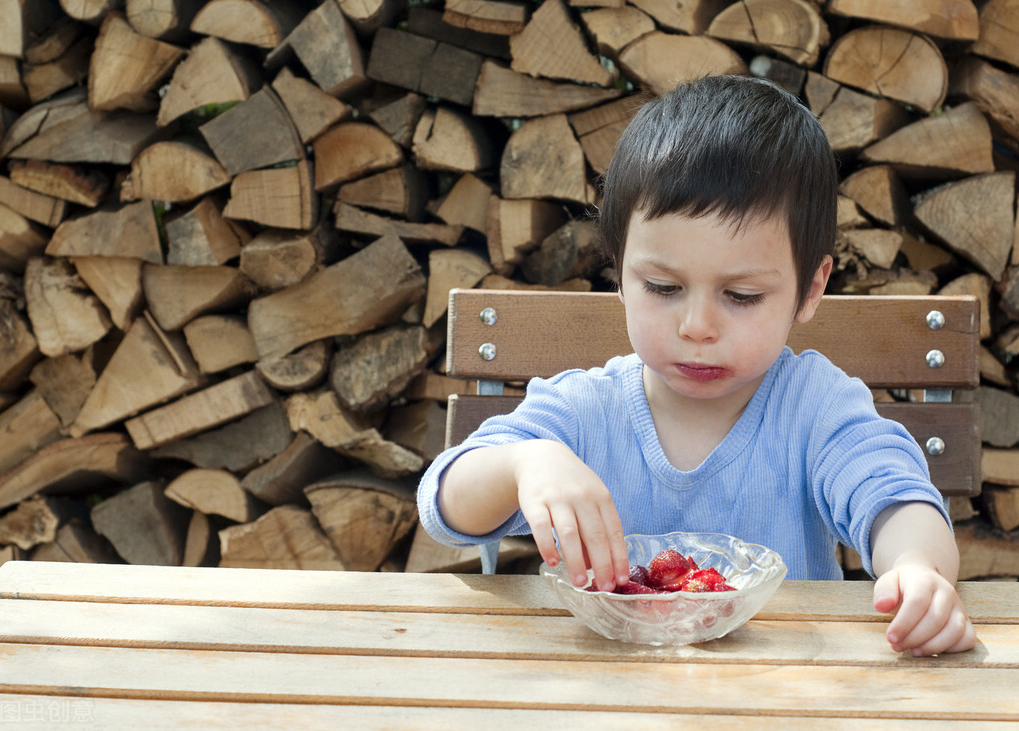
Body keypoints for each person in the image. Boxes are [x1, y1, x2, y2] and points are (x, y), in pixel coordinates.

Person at [416, 74, 976, 657]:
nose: (697, 326)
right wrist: (522, 464)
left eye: (742, 296)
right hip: (604, 687)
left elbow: (894, 495)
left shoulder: (814, 407)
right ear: (620, 272)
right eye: (663, 287)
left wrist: (917, 567)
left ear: (810, 290)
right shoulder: (582, 412)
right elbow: (446, 506)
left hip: (784, 686)